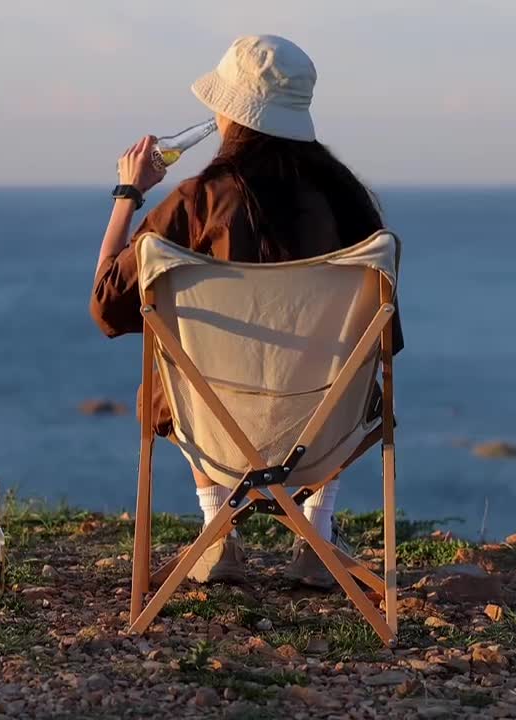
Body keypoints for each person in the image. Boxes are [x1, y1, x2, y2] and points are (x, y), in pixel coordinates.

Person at [90, 35, 403, 587]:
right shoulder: (349, 205)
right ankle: (319, 534)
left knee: (172, 360)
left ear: (230, 110)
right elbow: (384, 344)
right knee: (354, 372)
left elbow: (106, 305)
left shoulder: (197, 201)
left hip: (214, 436)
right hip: (324, 437)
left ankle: (218, 532)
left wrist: (127, 192)